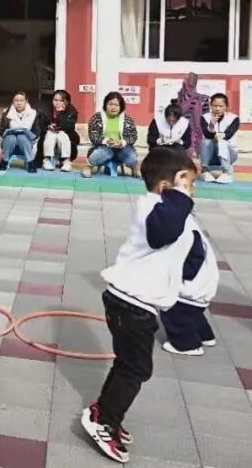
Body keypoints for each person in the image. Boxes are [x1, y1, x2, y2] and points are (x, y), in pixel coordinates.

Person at [81, 146, 198, 462]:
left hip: (136, 303)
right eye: (188, 183)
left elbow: (183, 246)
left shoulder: (166, 208)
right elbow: (163, 234)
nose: (192, 191)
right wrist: (180, 195)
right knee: (137, 369)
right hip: (130, 304)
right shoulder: (153, 207)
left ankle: (103, 411)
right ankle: (104, 423)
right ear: (167, 185)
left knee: (128, 364)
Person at [160, 226, 219, 357]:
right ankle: (205, 336)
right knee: (193, 314)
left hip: (192, 286)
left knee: (172, 310)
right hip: (202, 284)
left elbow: (193, 262)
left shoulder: (186, 232)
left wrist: (176, 273)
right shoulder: (188, 226)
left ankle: (187, 344)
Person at [84, 92, 139, 178]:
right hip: (104, 147)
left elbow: (133, 136)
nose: (113, 107)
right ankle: (88, 167)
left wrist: (121, 142)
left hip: (122, 149)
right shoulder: (97, 117)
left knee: (130, 155)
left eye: (116, 105)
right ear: (105, 105)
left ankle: (135, 168)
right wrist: (107, 141)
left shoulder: (127, 119)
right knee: (104, 152)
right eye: (110, 104)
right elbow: (93, 135)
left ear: (121, 106)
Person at [200, 94, 239, 184]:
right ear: (211, 106)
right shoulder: (204, 117)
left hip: (229, 154)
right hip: (210, 154)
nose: (217, 109)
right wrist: (211, 125)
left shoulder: (234, 118)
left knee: (222, 142)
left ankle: (226, 172)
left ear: (226, 106)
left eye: (221, 106)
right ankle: (205, 170)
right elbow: (207, 134)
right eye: (215, 106)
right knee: (206, 141)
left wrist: (222, 135)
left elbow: (229, 133)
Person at [38, 90, 79, 172]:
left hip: (65, 133)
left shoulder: (71, 111)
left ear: (66, 101)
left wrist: (61, 113)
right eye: (55, 100)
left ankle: (66, 161)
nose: (57, 103)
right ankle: (46, 160)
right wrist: (48, 127)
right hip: (48, 133)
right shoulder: (46, 109)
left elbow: (70, 127)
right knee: (50, 136)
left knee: (63, 136)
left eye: (61, 100)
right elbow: (41, 125)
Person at [0, 91, 40, 173]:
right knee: (11, 138)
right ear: (13, 102)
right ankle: (4, 161)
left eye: (21, 100)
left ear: (26, 101)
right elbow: (2, 132)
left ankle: (30, 162)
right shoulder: (6, 112)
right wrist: (11, 132)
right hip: (9, 146)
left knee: (22, 137)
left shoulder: (33, 113)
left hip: (26, 146)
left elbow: (37, 132)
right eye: (16, 100)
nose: (19, 103)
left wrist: (26, 133)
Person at [175, 74, 209, 159]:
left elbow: (206, 114)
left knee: (195, 135)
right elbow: (176, 111)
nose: (188, 87)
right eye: (187, 84)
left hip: (196, 126)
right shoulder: (179, 97)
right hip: (182, 126)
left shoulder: (202, 98)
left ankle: (195, 150)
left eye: (191, 85)